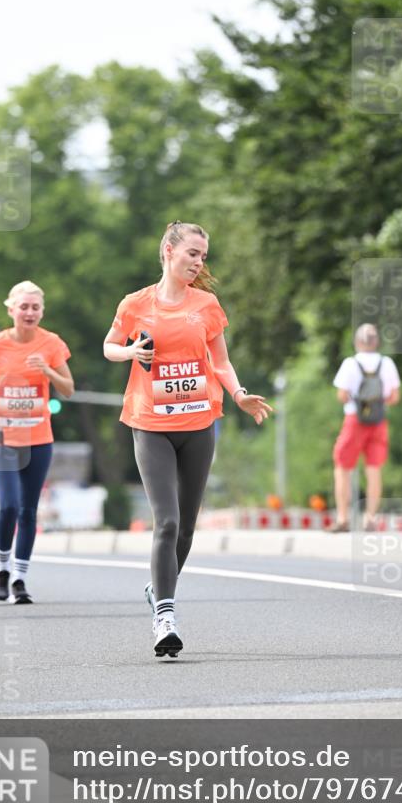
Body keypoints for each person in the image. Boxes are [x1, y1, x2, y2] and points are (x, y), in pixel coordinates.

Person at [104, 221, 273, 659]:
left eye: (203, 256)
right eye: (192, 253)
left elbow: (221, 361)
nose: (199, 262)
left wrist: (239, 395)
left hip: (199, 423)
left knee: (188, 529)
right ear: (168, 251)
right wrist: (129, 352)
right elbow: (109, 345)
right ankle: (165, 617)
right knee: (168, 521)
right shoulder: (136, 304)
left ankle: (157, 586)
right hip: (150, 422)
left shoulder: (207, 305)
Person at [0, 281, 74, 605]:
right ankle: (2, 569)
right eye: (24, 307)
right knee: (9, 505)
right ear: (11, 309)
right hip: (1, 438)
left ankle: (20, 577)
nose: (29, 313)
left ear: (41, 311)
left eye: (35, 307)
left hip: (38, 438)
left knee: (29, 510)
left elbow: (68, 388)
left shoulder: (52, 344)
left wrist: (47, 370)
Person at [331, 323, 400, 532]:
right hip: (379, 421)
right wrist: (376, 403)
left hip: (355, 420)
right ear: (377, 342)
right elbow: (395, 397)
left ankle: (343, 518)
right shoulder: (387, 363)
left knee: (342, 467)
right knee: (374, 469)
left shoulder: (351, 364)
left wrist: (360, 402)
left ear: (357, 342)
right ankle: (370, 518)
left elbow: (342, 396)